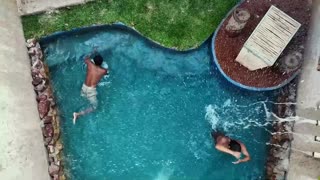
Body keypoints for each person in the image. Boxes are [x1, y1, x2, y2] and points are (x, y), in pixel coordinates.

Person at [73, 54, 108, 124]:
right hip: (91, 91)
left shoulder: (89, 64)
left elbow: (86, 58)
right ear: (101, 63)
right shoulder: (103, 71)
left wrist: (93, 52)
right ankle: (77, 114)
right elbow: (106, 73)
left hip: (84, 87)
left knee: (84, 99)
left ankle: (78, 111)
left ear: (93, 61)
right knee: (95, 107)